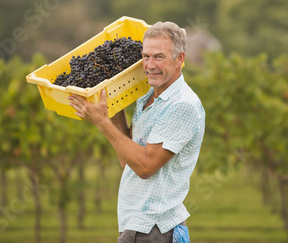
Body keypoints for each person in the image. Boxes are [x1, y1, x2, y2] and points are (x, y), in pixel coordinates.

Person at [69, 21, 205, 243]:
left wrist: (101, 122)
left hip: (155, 229)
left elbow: (145, 167)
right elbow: (128, 161)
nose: (149, 65)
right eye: (146, 56)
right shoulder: (146, 100)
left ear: (179, 59)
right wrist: (114, 107)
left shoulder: (182, 105)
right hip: (138, 226)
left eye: (159, 57)